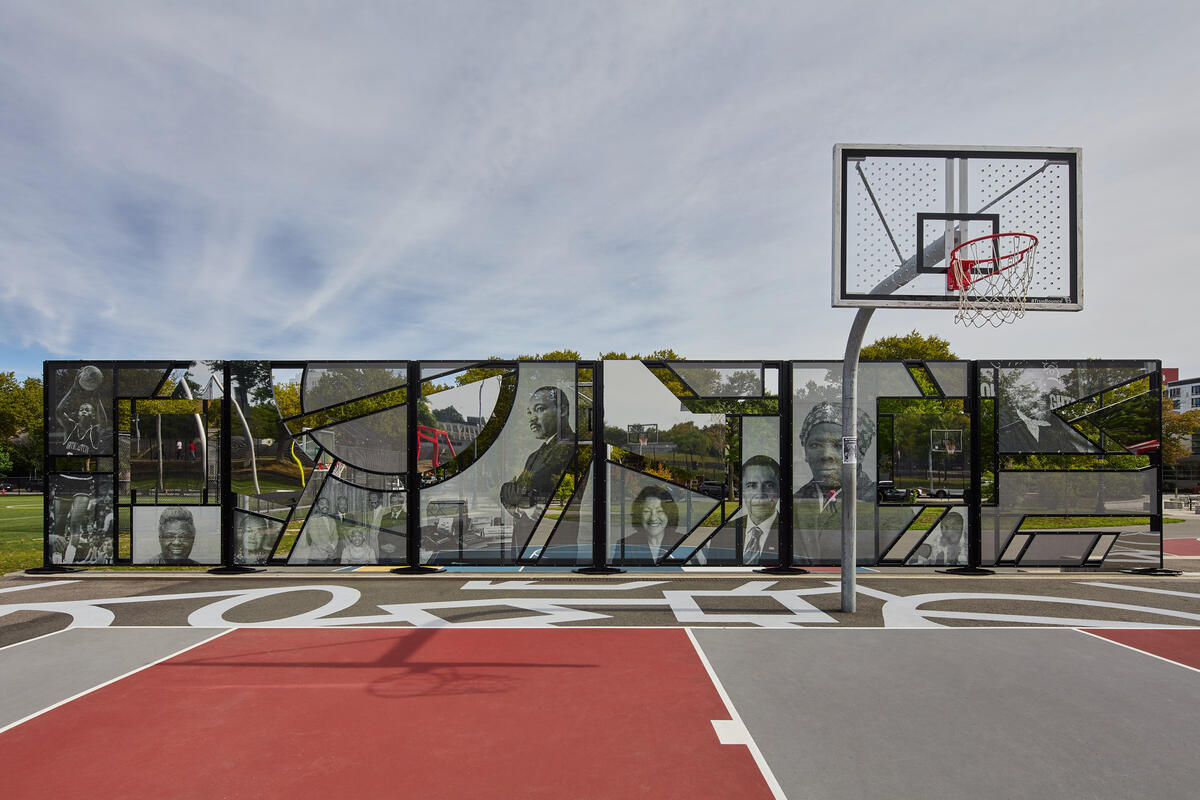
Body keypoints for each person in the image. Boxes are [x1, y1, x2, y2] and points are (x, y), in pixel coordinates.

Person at [793, 402, 876, 563]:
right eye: (815, 445)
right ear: (805, 453)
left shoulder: (876, 503)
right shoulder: (793, 503)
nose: (826, 455)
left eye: (839, 445)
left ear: (860, 454)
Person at [500, 386, 575, 554]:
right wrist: (524, 506)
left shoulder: (570, 448)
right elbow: (507, 491)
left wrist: (517, 496)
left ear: (562, 410)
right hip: (529, 545)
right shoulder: (535, 456)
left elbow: (521, 490)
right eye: (529, 412)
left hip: (549, 548)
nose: (532, 419)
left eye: (539, 409)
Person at [997, 369, 1091, 453]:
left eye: (1042, 385)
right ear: (1014, 392)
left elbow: (1072, 454)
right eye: (1032, 384)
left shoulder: (1055, 423)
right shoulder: (1003, 423)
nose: (1041, 391)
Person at [738, 455, 781, 565]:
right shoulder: (722, 536)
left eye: (769, 485)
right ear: (742, 491)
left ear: (779, 490)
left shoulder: (795, 538)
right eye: (751, 485)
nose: (760, 494)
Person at [56, 367, 110, 454]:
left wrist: (98, 401)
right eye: (81, 410)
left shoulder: (94, 432)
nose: (84, 411)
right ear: (78, 414)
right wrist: (72, 390)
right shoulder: (71, 427)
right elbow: (59, 412)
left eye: (87, 410)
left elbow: (103, 423)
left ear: (93, 415)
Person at [622, 485, 679, 563]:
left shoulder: (683, 542)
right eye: (647, 511)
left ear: (668, 515)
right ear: (639, 515)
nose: (653, 518)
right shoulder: (626, 544)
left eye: (659, 511)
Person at [293, 496, 339, 564]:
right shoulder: (312, 520)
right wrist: (329, 549)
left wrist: (332, 547)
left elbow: (336, 536)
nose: (325, 506)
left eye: (327, 504)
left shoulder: (332, 520)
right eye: (322, 504)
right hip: (317, 558)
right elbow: (316, 538)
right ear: (317, 506)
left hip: (331, 557)